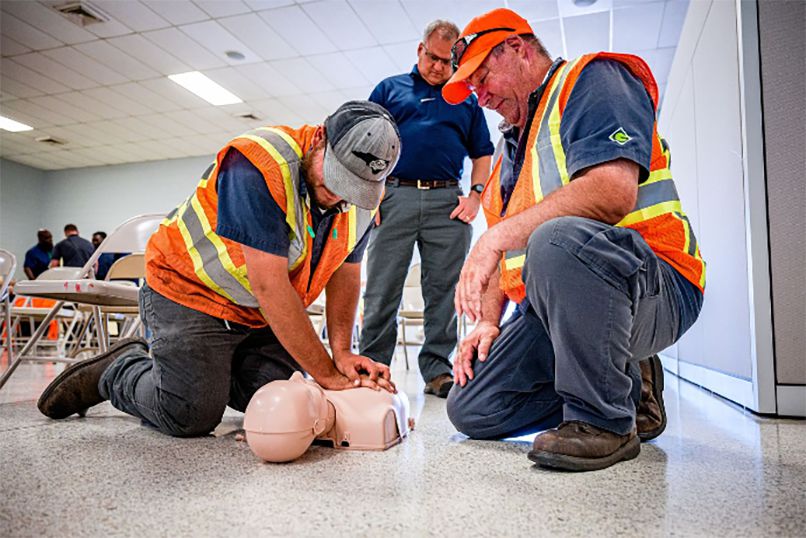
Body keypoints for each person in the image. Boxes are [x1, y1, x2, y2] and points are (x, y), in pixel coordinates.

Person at [37, 101, 403, 438]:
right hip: (189, 293)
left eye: (353, 187)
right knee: (190, 413)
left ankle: (202, 370)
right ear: (320, 137)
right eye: (336, 176)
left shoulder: (364, 194)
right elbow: (270, 285)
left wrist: (342, 352)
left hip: (255, 315)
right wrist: (326, 374)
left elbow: (346, 272)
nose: (339, 194)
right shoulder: (259, 163)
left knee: (279, 396)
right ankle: (120, 369)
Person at [441, 9, 706, 471]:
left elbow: (612, 190)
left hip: (658, 286)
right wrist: (487, 322)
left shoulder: (593, 80)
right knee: (472, 407)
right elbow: (505, 259)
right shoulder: (509, 160)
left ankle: (604, 420)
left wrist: (491, 239)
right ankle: (623, 383)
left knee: (554, 238)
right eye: (472, 89)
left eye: (483, 76)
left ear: (518, 49)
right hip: (564, 307)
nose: (479, 96)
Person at [359, 19, 494, 398]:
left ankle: (437, 370)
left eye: (447, 61)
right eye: (432, 57)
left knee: (444, 292)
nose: (438, 67)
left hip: (446, 203)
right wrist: (371, 196)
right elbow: (363, 141)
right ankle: (373, 366)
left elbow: (482, 152)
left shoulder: (465, 98)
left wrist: (475, 196)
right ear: (420, 50)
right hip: (394, 197)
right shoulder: (390, 89)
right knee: (382, 289)